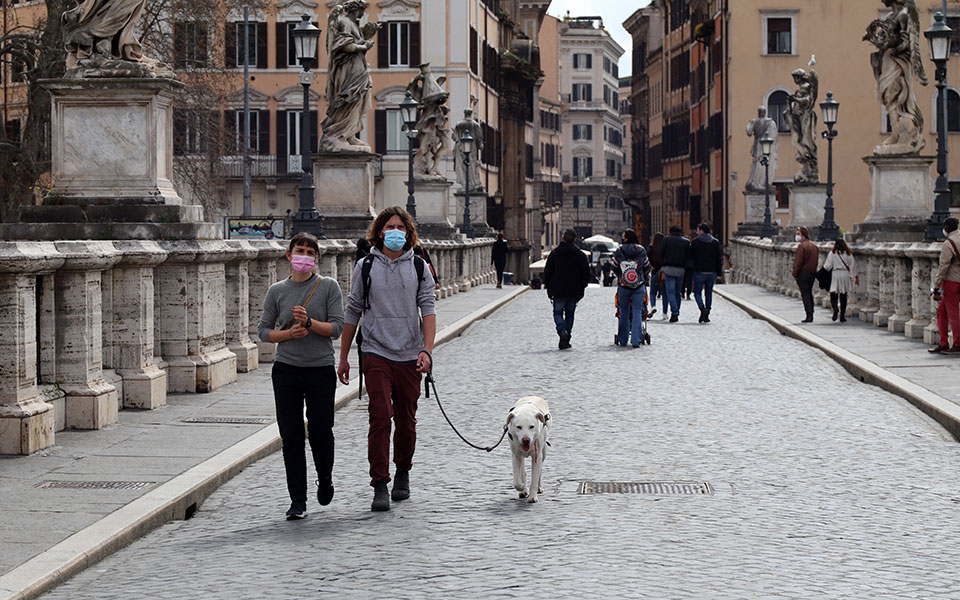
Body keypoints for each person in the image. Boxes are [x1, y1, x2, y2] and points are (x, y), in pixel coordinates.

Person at [337, 206, 437, 511]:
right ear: (379, 232)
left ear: (408, 233)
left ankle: (402, 471)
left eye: (401, 227)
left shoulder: (419, 267)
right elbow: (353, 310)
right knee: (380, 415)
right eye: (389, 227)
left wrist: (427, 350)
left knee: (406, 420)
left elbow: (429, 309)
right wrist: (343, 357)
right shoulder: (365, 267)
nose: (395, 232)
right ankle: (379, 482)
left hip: (409, 353)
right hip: (375, 350)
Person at [258, 232, 345, 520]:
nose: (304, 256)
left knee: (321, 432)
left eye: (309, 252)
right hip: (286, 370)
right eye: (299, 250)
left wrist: (309, 322)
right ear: (288, 255)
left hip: (320, 369)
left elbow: (336, 328)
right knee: (291, 437)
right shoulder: (277, 291)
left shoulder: (328, 286)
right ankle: (297, 500)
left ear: (316, 258)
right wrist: (288, 334)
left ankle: (325, 478)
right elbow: (263, 332)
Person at [543, 228, 591, 350]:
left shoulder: (554, 254)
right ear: (575, 240)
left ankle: (562, 331)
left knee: (557, 313)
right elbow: (586, 274)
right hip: (574, 290)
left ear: (563, 238)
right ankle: (566, 337)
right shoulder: (580, 255)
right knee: (570, 314)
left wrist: (547, 285)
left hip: (557, 289)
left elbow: (547, 271)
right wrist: (582, 287)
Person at [613, 230, 651, 347]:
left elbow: (614, 267)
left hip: (623, 285)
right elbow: (646, 266)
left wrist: (621, 275)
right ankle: (636, 340)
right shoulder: (641, 250)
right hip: (638, 284)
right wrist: (640, 275)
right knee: (637, 311)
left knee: (623, 312)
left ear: (627, 238)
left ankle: (623, 340)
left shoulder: (619, 250)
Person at [929, 217, 960, 353]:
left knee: (953, 313)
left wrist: (936, 285)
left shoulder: (948, 243)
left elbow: (943, 267)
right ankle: (943, 343)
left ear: (947, 228)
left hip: (951, 281)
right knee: (941, 312)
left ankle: (958, 344)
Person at [689, 223, 724, 323]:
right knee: (708, 293)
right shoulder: (715, 242)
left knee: (697, 293)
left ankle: (702, 308)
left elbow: (691, 256)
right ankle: (707, 312)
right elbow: (719, 259)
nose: (697, 232)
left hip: (699, 271)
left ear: (702, 231)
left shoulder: (695, 242)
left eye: (698, 230)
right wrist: (719, 273)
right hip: (712, 271)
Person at [659, 225, 691, 322]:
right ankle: (676, 311)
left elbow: (661, 253)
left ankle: (675, 312)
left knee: (670, 292)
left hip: (668, 268)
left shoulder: (666, 240)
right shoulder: (686, 242)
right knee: (678, 292)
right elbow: (689, 256)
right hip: (681, 269)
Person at [823, 239, 857, 322]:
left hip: (836, 273)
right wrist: (853, 276)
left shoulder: (832, 253)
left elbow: (827, 266)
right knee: (843, 296)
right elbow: (852, 266)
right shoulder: (848, 254)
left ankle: (835, 309)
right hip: (845, 274)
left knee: (833, 294)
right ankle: (842, 315)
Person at [793, 226, 819, 322]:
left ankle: (809, 314)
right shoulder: (814, 246)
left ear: (803, 235)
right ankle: (811, 312)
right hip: (812, 273)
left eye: (798, 234)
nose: (796, 236)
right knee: (809, 293)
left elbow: (798, 262)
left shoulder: (802, 246)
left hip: (803, 273)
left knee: (805, 295)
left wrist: (795, 273)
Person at [647, 232, 668, 320]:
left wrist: (651, 266)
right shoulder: (665, 249)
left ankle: (653, 306)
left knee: (652, 293)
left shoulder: (650, 249)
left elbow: (647, 259)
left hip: (654, 272)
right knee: (664, 294)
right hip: (663, 273)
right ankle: (665, 313)